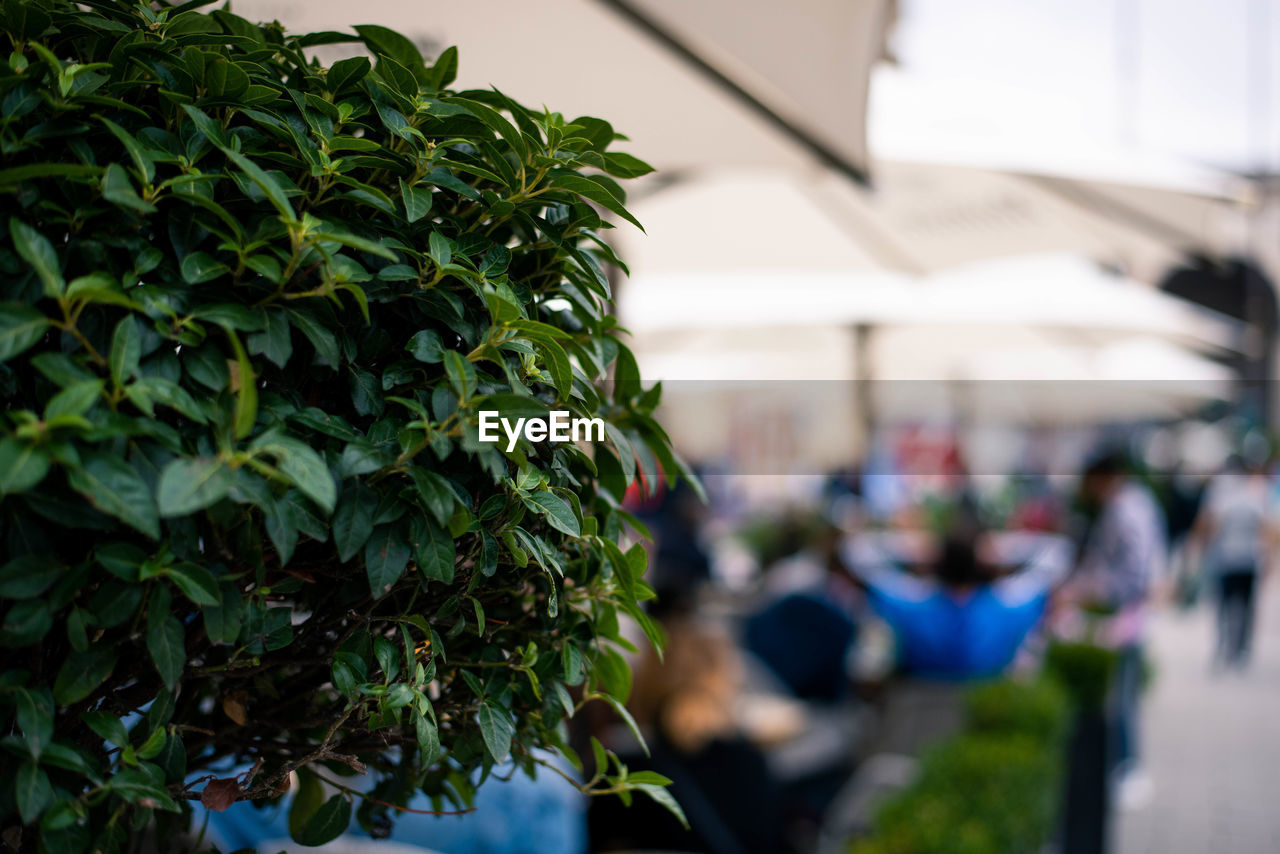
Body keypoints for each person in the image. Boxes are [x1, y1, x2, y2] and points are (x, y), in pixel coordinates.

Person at [843, 520, 1072, 680]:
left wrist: (919, 547)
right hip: (985, 709)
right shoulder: (1008, 606)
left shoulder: (911, 604)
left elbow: (857, 551)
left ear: (938, 562)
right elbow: (1057, 553)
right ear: (983, 563)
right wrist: (995, 550)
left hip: (920, 711)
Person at [1064, 452, 1166, 808]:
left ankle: (1128, 769)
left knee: (1121, 697)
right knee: (1122, 695)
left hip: (1124, 615)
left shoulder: (1125, 509)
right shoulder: (1136, 502)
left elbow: (1133, 571)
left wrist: (1092, 589)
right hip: (1127, 614)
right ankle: (1125, 768)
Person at [1190, 454, 1277, 669]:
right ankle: (1240, 649)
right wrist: (1268, 558)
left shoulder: (1221, 494)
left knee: (1225, 605)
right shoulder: (1255, 494)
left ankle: (1225, 646)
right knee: (1245, 606)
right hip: (1248, 559)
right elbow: (1266, 529)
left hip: (1227, 558)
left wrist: (1201, 548)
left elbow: (1208, 524)